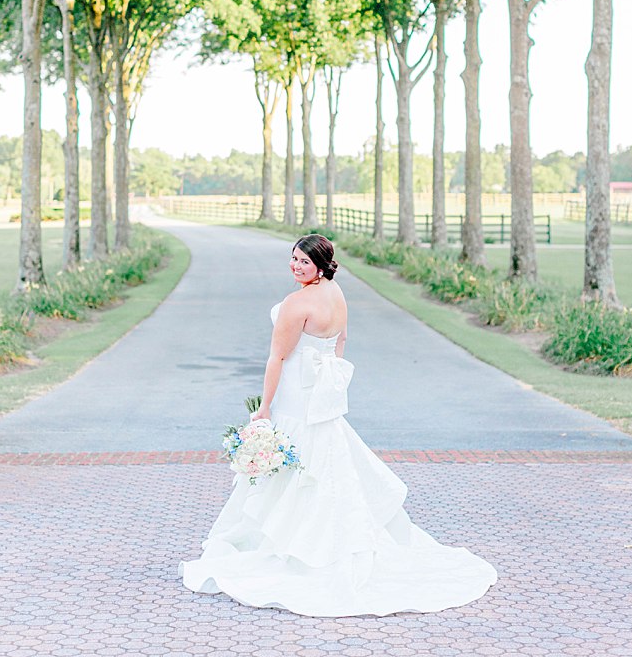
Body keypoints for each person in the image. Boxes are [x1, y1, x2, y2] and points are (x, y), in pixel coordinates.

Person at [181, 234, 497, 617]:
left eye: (303, 262)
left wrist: (264, 409)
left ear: (320, 265)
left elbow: (276, 359)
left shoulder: (297, 303)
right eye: (293, 258)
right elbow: (341, 341)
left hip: (296, 397)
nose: (296, 266)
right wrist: (328, 388)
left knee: (296, 465)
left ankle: (289, 548)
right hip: (317, 398)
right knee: (321, 463)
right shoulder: (336, 292)